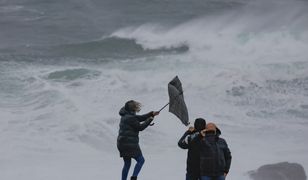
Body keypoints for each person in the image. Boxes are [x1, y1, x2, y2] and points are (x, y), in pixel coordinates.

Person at [117, 100, 159, 180]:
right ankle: (134, 177)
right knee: (141, 160)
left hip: (122, 143)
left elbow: (139, 118)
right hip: (129, 144)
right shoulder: (130, 118)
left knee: (127, 164)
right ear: (132, 109)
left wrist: (151, 114)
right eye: (135, 108)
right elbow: (140, 127)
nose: (136, 109)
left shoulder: (126, 115)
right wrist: (149, 119)